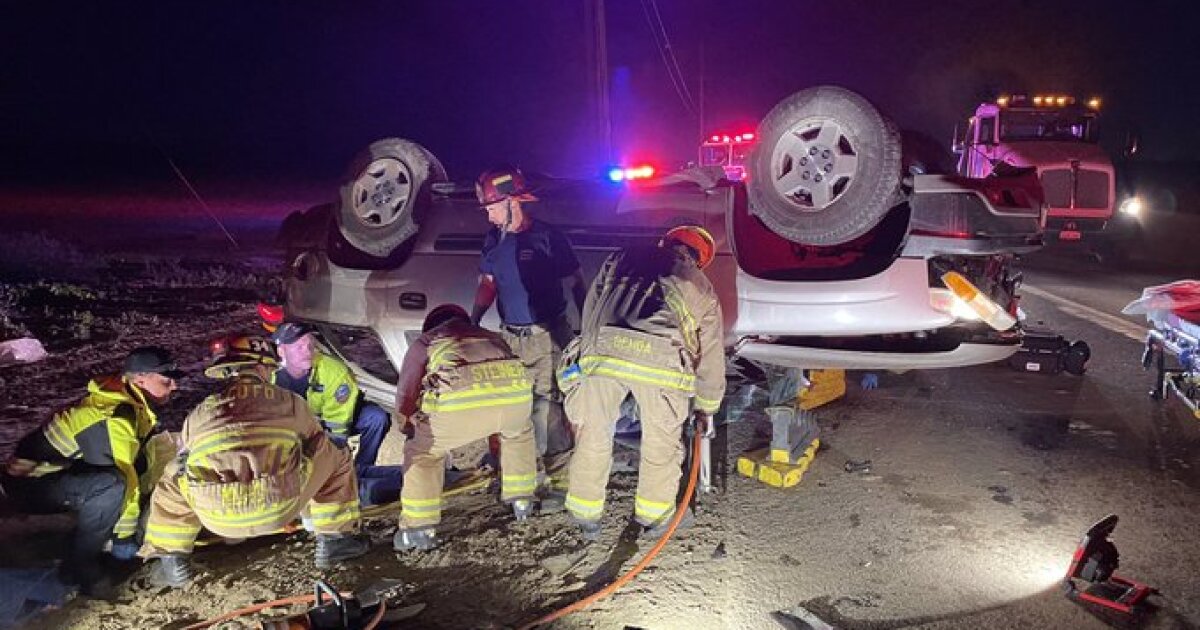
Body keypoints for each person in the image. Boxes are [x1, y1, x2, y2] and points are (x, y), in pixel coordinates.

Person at [139, 336, 368, 586]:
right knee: (334, 450)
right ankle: (336, 541)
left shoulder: (202, 411)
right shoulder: (289, 402)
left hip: (216, 517)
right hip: (278, 506)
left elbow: (186, 455)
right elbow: (316, 444)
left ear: (227, 372)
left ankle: (171, 560)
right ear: (262, 367)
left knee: (175, 472)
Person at [561, 225, 726, 539]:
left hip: (604, 353)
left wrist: (587, 354)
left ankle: (585, 515)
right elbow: (712, 354)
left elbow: (592, 307)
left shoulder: (621, 257)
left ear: (669, 240)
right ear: (699, 259)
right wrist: (707, 406)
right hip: (661, 365)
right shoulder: (701, 287)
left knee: (594, 431)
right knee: (661, 442)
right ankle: (654, 517)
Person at [2, 347, 182, 597]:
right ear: (140, 380)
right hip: (30, 486)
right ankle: (81, 566)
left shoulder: (128, 402)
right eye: (166, 380)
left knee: (137, 469)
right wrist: (124, 536)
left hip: (56, 475)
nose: (174, 386)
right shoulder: (113, 416)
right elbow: (123, 476)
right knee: (110, 487)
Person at [471, 164, 586, 496]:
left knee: (548, 409)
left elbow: (575, 283)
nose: (488, 215)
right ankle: (518, 480)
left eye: (492, 207)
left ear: (512, 202)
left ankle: (561, 483)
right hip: (510, 339)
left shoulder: (548, 238)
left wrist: (585, 329)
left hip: (546, 337)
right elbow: (488, 284)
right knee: (513, 409)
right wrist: (473, 320)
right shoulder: (493, 239)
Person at [392, 304, 537, 551]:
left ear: (431, 326)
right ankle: (522, 502)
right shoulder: (493, 337)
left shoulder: (426, 342)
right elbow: (499, 396)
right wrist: (495, 450)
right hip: (516, 402)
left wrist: (408, 428)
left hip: (457, 406)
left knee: (424, 455)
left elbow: (407, 393)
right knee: (518, 435)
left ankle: (418, 529)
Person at [269, 323, 392, 478]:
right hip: (293, 426)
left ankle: (360, 473)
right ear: (282, 351)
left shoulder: (333, 371)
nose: (307, 352)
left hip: (328, 421)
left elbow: (338, 422)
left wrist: (336, 455)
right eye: (299, 347)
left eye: (310, 345)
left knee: (376, 418)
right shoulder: (269, 375)